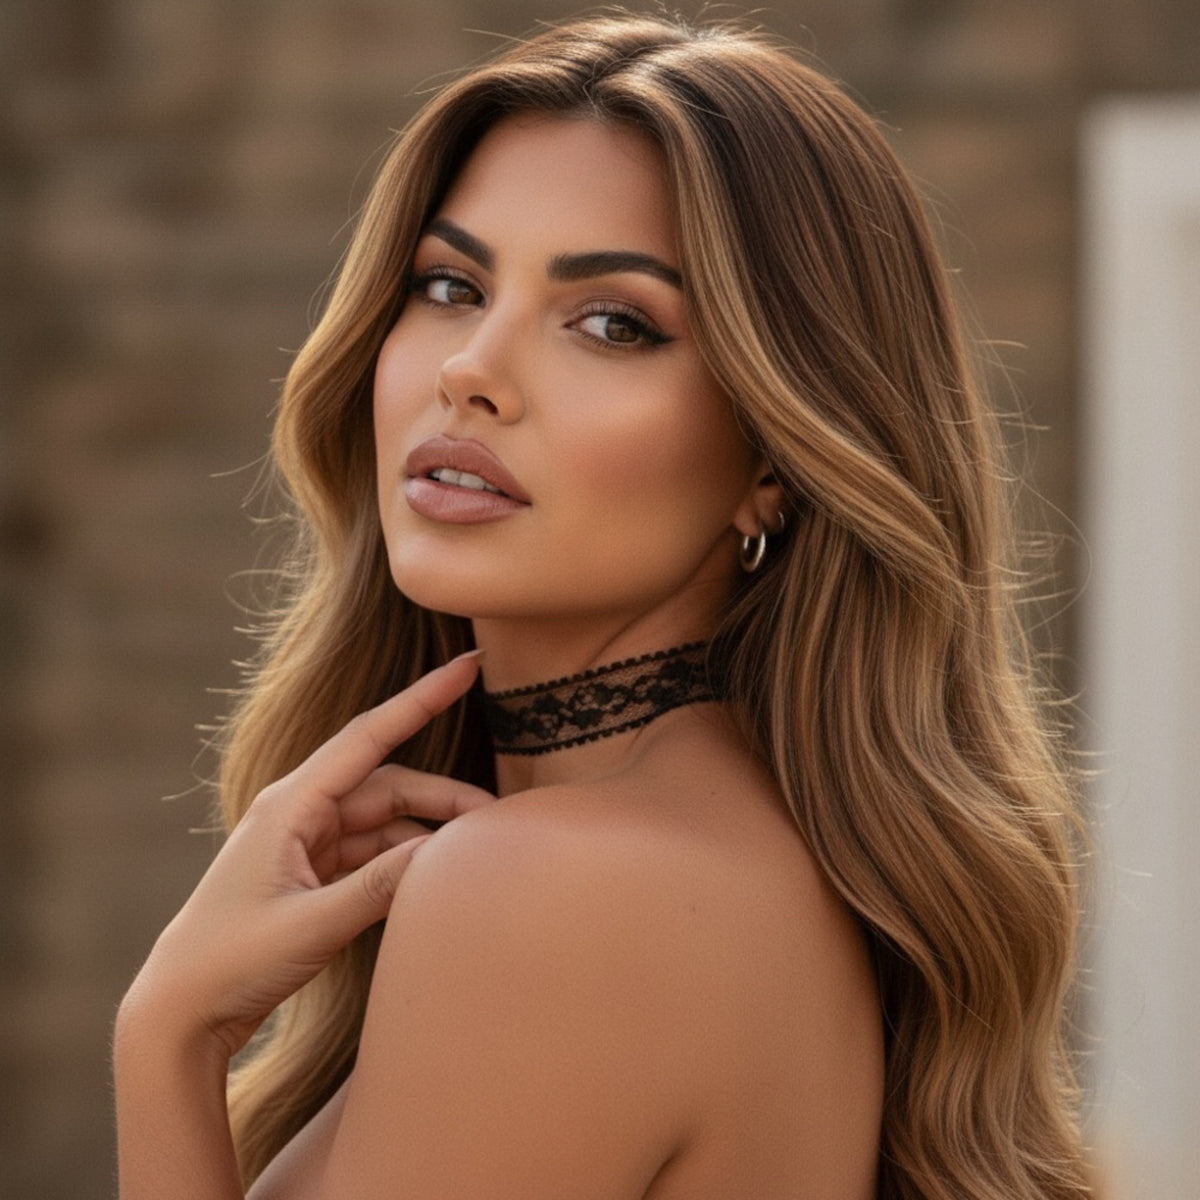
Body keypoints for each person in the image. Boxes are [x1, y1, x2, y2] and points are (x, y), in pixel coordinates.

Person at [114, 12, 1089, 1200]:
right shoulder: (746, 858)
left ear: (774, 457)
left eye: (613, 323)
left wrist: (167, 1042)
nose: (473, 367)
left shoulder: (558, 895)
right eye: (448, 284)